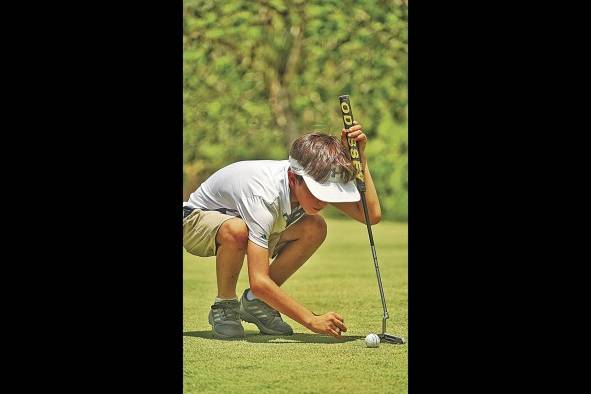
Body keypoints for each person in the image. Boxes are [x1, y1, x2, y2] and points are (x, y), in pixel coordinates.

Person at [183, 122, 381, 339]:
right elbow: (258, 280)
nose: (322, 200)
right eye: (317, 191)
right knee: (237, 230)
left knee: (314, 226)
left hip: (246, 223)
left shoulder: (311, 178)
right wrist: (311, 320)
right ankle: (225, 305)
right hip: (194, 221)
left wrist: (360, 159)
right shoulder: (264, 195)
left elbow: (370, 215)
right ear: (292, 178)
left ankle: (256, 303)